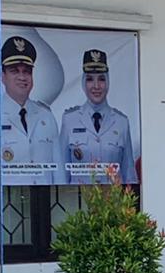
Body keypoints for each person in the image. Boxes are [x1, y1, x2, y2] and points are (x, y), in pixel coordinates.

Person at [0, 36, 59, 184]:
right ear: (2, 76)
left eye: (27, 71)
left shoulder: (46, 116)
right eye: (14, 71)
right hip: (8, 197)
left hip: (44, 196)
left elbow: (59, 171)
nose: (22, 77)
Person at [57, 49, 138, 185]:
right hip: (77, 197)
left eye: (101, 79)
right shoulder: (69, 120)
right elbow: (61, 173)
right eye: (90, 79)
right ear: (83, 82)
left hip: (112, 197)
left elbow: (129, 174)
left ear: (108, 82)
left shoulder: (121, 122)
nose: (96, 86)